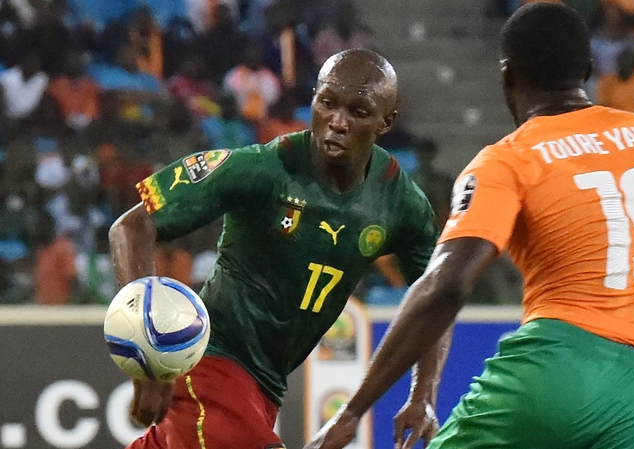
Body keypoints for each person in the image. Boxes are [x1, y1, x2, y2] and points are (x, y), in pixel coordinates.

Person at [304, 4, 634, 449]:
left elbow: (447, 285)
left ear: (507, 76)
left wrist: (354, 410)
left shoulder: (509, 159)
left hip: (556, 372)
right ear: (588, 71)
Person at [109, 48, 448, 449]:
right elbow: (131, 226)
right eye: (327, 103)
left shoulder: (400, 204)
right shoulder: (264, 170)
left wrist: (423, 394)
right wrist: (149, 358)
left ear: (386, 121)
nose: (337, 122)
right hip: (208, 364)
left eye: (357, 111)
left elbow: (438, 297)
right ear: (313, 101)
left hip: (264, 391)